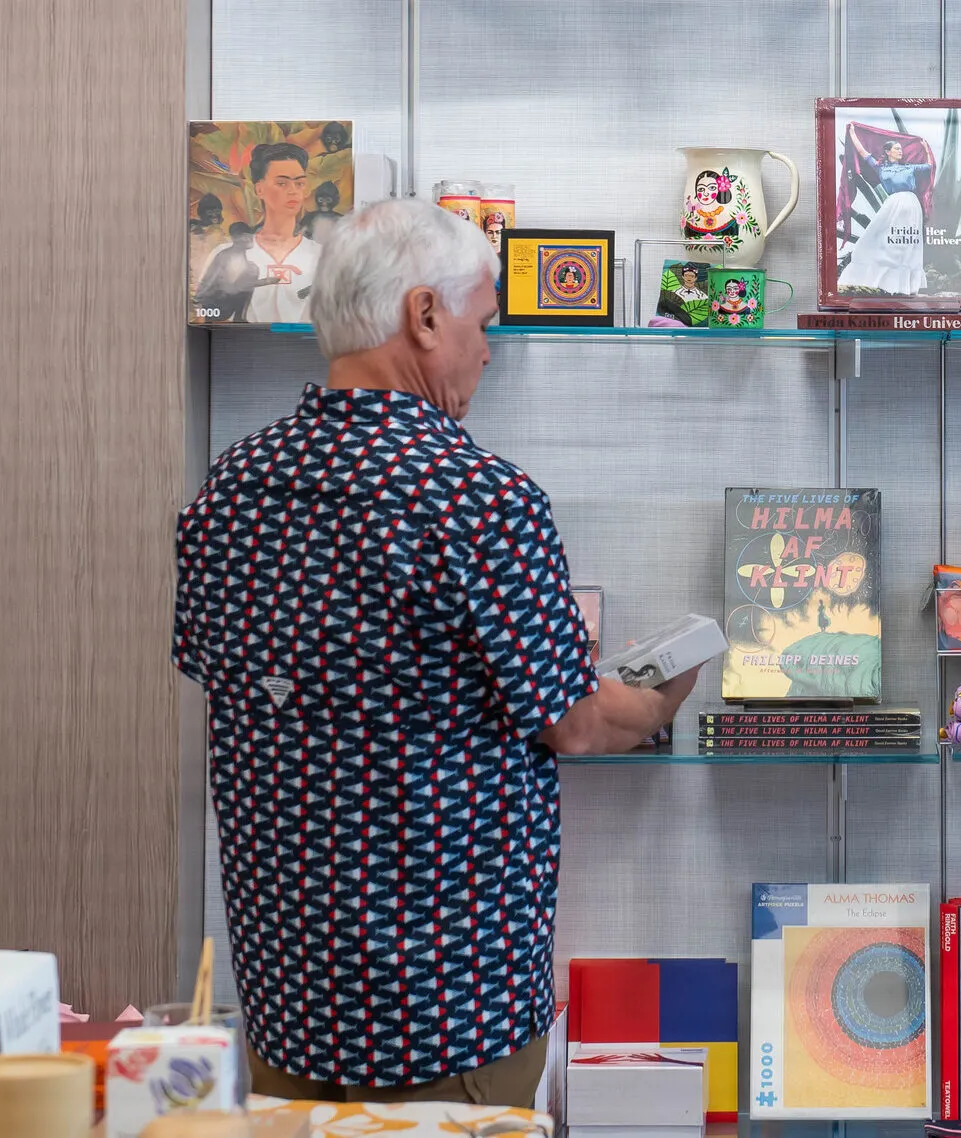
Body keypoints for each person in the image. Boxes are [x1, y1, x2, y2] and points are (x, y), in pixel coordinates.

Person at [172, 200, 696, 1106]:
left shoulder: (231, 486)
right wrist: (659, 699)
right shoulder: (480, 501)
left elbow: (225, 675)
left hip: (287, 1001)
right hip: (449, 1015)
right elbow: (574, 724)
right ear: (423, 316)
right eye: (482, 323)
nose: (486, 350)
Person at [193, 141, 323, 323]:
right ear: (259, 189)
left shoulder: (323, 256)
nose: (293, 191)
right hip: (241, 346)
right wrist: (231, 297)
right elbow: (202, 315)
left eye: (299, 183)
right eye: (282, 183)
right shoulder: (227, 255)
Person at [841, 136, 931, 295]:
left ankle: (905, 286)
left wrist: (925, 149)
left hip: (911, 205)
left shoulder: (910, 168)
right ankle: (876, 278)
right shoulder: (880, 167)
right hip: (893, 204)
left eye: (901, 149)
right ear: (888, 152)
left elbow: (929, 166)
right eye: (897, 148)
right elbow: (863, 152)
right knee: (882, 237)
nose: (900, 151)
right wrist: (853, 133)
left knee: (907, 242)